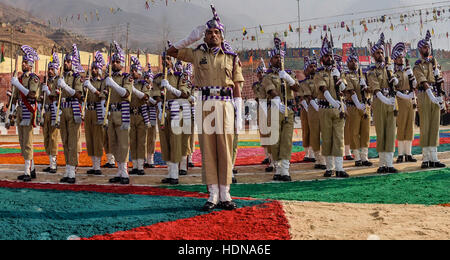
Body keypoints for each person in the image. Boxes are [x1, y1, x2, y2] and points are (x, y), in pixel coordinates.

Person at [167, 5, 244, 211]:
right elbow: (171, 51)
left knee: (225, 149)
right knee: (208, 149)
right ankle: (212, 194)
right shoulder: (196, 53)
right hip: (205, 103)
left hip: (226, 104)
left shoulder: (232, 56)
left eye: (216, 32)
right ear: (204, 36)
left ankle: (225, 192)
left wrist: (238, 112)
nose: (212, 35)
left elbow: (237, 86)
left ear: (222, 35)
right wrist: (190, 38)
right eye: (208, 32)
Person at [262, 37, 300, 182]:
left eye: (280, 57)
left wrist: (289, 79)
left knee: (287, 140)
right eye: (276, 57)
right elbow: (271, 91)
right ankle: (277, 168)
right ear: (271, 60)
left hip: (288, 110)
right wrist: (277, 101)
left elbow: (297, 88)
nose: (279, 60)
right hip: (275, 108)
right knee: (275, 140)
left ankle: (285, 169)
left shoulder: (288, 73)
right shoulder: (268, 76)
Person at [154, 52, 191, 185]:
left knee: (175, 142)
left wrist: (169, 87)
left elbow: (185, 94)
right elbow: (156, 94)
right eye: (164, 58)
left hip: (176, 110)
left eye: (168, 59)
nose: (166, 61)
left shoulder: (180, 76)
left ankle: (175, 174)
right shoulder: (157, 78)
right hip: (163, 111)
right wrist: (159, 106)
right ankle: (170, 172)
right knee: (165, 142)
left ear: (173, 61)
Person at [314, 36, 348, 178]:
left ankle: (339, 168)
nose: (329, 58)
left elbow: (344, 88)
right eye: (326, 56)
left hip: (338, 108)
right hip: (325, 108)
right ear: (322, 59)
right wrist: (332, 100)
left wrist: (339, 78)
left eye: (330, 55)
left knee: (339, 138)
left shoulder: (337, 71)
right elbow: (323, 89)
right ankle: (329, 167)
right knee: (327, 137)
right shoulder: (319, 74)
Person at [367, 33, 399, 174]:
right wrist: (386, 100)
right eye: (377, 53)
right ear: (373, 55)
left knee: (391, 132)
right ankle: (382, 163)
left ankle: (389, 163)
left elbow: (396, 83)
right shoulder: (372, 72)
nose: (380, 54)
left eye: (381, 52)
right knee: (381, 133)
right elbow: (376, 89)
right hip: (380, 102)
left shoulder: (389, 68)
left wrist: (395, 81)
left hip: (391, 101)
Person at [414, 30, 446, 169]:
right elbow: (423, 81)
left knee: (434, 127)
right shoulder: (417, 65)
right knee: (426, 126)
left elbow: (439, 81)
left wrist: (441, 97)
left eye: (428, 47)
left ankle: (434, 157)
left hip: (435, 95)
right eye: (424, 47)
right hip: (425, 96)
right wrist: (431, 95)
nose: (427, 49)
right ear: (420, 49)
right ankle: (426, 158)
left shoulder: (434, 63)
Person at [10, 45, 40, 182]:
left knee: (27, 141)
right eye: (23, 61)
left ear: (31, 64)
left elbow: (32, 95)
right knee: (22, 142)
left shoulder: (34, 78)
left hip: (28, 110)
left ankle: (27, 171)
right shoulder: (20, 78)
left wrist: (18, 84)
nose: (23, 64)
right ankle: (31, 169)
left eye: (25, 62)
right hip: (21, 110)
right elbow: (15, 97)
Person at [105, 41, 134, 185]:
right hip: (111, 113)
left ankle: (125, 172)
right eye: (113, 61)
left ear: (122, 64)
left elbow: (126, 93)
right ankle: (119, 170)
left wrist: (113, 84)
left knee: (123, 143)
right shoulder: (109, 76)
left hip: (122, 113)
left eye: (117, 62)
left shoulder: (126, 78)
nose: (115, 64)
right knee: (114, 143)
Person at [57, 44, 84, 184]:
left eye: (68, 61)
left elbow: (79, 95)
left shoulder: (76, 77)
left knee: (73, 142)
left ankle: (72, 172)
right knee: (65, 141)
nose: (66, 64)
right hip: (63, 110)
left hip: (73, 110)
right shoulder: (62, 76)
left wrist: (65, 86)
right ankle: (67, 169)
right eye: (65, 61)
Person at [343, 48, 373, 167]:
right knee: (354, 132)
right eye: (351, 61)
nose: (354, 63)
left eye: (355, 61)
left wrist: (366, 87)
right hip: (353, 106)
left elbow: (370, 89)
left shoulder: (363, 75)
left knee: (365, 131)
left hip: (365, 106)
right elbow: (349, 90)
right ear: (348, 63)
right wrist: (357, 104)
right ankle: (357, 157)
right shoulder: (346, 76)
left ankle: (364, 156)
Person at [298, 56, 327, 170]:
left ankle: (325, 159)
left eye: (315, 66)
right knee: (314, 134)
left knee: (325, 133)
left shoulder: (320, 78)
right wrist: (316, 107)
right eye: (311, 66)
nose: (313, 68)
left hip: (323, 107)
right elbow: (308, 96)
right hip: (312, 110)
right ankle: (319, 159)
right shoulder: (305, 82)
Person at [391, 43, 418, 164]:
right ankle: (401, 154)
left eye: (402, 57)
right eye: (399, 58)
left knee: (410, 127)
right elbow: (394, 87)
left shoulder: (408, 71)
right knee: (401, 127)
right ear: (395, 60)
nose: (401, 59)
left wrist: (410, 74)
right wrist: (402, 94)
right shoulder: (393, 73)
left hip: (410, 99)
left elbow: (415, 85)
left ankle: (409, 153)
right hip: (400, 100)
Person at [83, 51, 106, 176]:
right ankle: (93, 164)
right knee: (89, 138)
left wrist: (92, 88)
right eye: (92, 68)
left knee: (97, 138)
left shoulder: (102, 82)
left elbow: (103, 95)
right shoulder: (88, 81)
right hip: (88, 110)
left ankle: (97, 166)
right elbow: (82, 96)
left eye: (96, 68)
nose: (93, 70)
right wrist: (84, 86)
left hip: (98, 110)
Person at [128, 56, 151, 176]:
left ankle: (141, 165)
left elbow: (145, 97)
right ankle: (135, 165)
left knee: (141, 141)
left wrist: (134, 90)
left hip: (141, 115)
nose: (133, 72)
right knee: (132, 141)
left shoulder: (144, 84)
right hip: (131, 114)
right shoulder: (128, 83)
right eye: (132, 70)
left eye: (135, 70)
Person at [41, 52, 60, 174]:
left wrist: (48, 91)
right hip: (46, 111)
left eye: (52, 69)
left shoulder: (58, 82)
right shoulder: (45, 81)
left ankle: (54, 163)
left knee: (53, 137)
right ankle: (50, 162)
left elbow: (56, 97)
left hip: (54, 111)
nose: (50, 71)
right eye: (49, 69)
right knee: (46, 137)